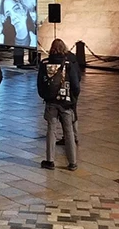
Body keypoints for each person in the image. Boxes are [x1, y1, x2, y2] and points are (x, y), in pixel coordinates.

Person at [37, 39, 81, 171]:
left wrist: (46, 96)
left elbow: (40, 84)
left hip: (51, 102)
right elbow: (76, 85)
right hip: (66, 102)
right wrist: (73, 99)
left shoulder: (45, 63)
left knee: (51, 130)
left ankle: (50, 161)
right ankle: (72, 162)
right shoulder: (68, 64)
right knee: (68, 132)